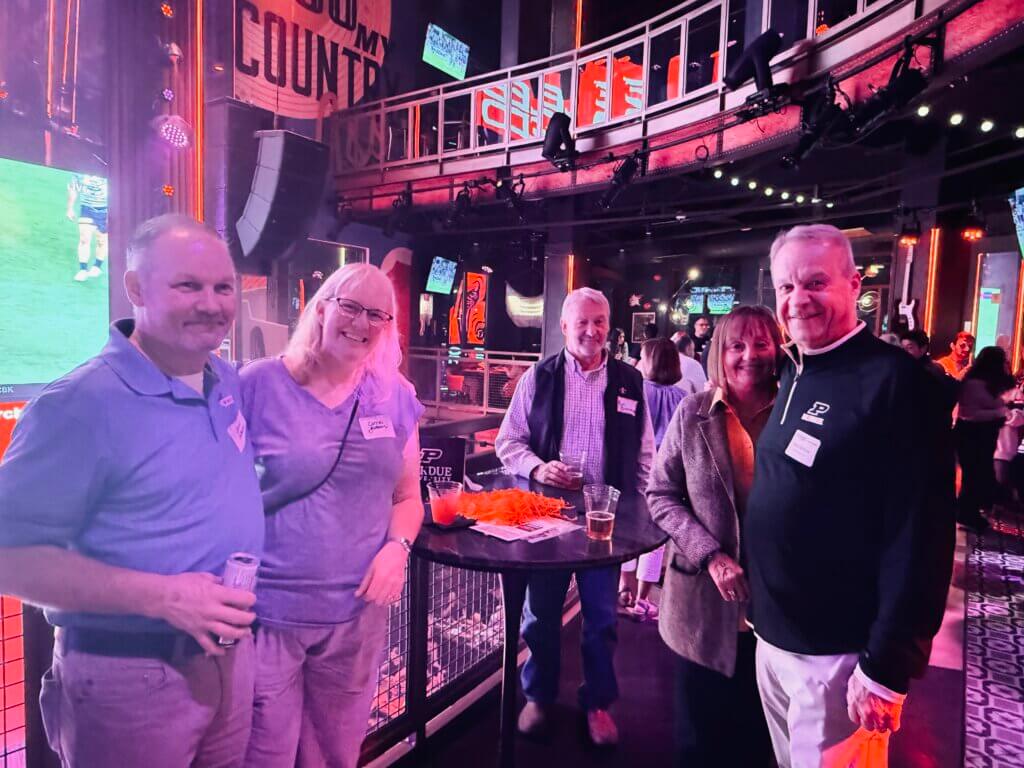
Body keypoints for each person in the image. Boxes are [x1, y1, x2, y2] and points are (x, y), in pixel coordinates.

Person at [0, 214, 264, 767]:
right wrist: (165, 596)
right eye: (188, 285)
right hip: (129, 680)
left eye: (222, 287)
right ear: (137, 289)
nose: (211, 303)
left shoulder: (224, 380)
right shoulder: (78, 406)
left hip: (230, 661)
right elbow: (8, 558)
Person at [744, 224, 951, 768]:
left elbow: (922, 535)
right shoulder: (793, 372)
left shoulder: (897, 383)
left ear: (853, 284)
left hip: (839, 653)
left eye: (815, 282)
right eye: (786, 287)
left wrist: (887, 665)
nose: (798, 300)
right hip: (775, 639)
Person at [242, 263, 425, 768]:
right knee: (263, 755)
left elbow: (408, 498)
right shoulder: (257, 386)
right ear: (321, 308)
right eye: (349, 306)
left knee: (335, 756)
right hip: (267, 615)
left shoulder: (395, 396)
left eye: (377, 314)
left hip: (357, 618)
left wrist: (397, 548)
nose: (361, 323)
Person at [495, 287, 655, 746]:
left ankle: (599, 704)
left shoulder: (630, 380)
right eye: (581, 322)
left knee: (602, 619)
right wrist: (540, 467)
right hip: (548, 519)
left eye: (599, 321)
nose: (591, 330)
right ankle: (538, 697)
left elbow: (644, 452)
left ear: (610, 325)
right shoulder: (538, 377)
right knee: (540, 616)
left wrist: (636, 516)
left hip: (605, 521)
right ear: (564, 327)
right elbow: (509, 442)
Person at [648, 305, 780, 767]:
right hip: (702, 609)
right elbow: (661, 495)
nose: (750, 355)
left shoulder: (794, 413)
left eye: (762, 343)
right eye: (737, 345)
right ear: (719, 353)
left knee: (760, 742)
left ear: (779, 347)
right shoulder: (693, 412)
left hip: (776, 610)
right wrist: (711, 555)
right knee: (699, 743)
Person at [619, 338, 686, 621]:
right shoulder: (682, 396)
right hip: (668, 475)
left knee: (627, 531)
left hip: (638, 471)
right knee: (654, 539)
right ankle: (644, 599)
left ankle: (625, 589)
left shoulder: (639, 389)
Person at [954, 346, 1016, 531]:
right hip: (972, 434)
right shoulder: (975, 384)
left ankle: (970, 512)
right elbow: (969, 413)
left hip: (981, 435)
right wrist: (1000, 411)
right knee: (974, 475)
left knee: (977, 474)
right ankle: (967, 513)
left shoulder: (987, 382)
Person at [66, 173, 109, 282]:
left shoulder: (109, 169)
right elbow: (73, 188)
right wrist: (70, 208)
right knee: (84, 239)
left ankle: (97, 266)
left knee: (102, 241)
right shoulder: (80, 171)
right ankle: (83, 269)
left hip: (106, 210)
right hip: (87, 208)